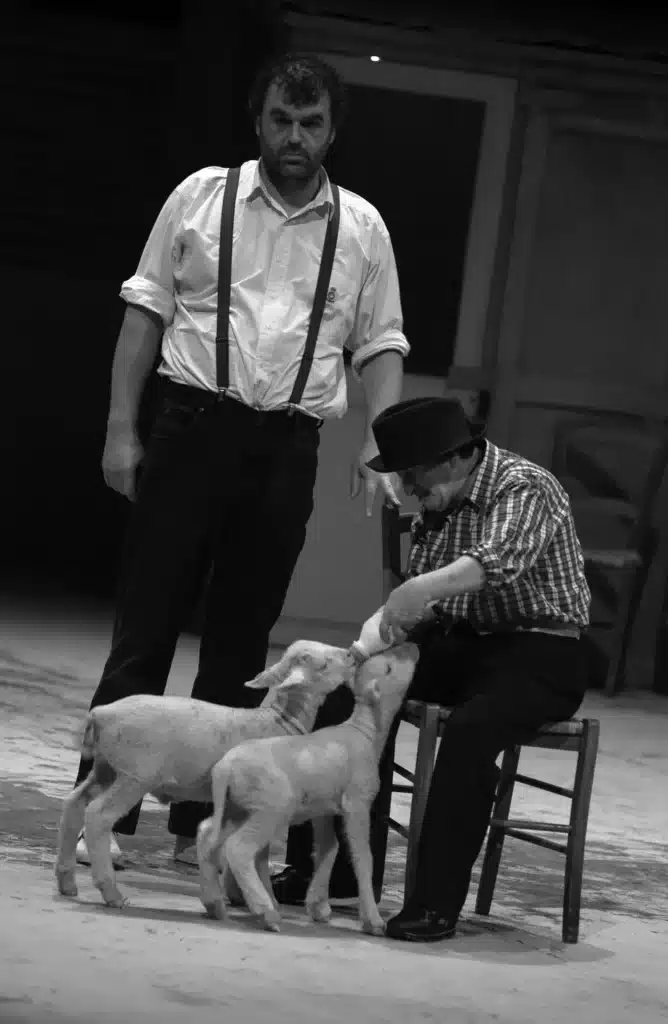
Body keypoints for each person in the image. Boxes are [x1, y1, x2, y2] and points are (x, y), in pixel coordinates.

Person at [73, 51, 409, 868]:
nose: (295, 138)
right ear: (257, 121)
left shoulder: (360, 227)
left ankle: (205, 829)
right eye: (281, 121)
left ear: (333, 130)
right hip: (190, 428)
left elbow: (381, 343)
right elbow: (144, 314)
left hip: (284, 447)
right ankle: (100, 816)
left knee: (239, 642)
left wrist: (381, 436)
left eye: (312, 124)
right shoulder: (200, 197)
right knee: (145, 628)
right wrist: (123, 429)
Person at [274, 395, 591, 941]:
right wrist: (369, 648)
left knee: (469, 732)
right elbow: (418, 610)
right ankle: (334, 870)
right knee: (345, 696)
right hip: (460, 643)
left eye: (413, 473)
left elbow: (497, 562)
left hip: (543, 650)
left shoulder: (522, 484)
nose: (409, 488)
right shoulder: (440, 505)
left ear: (451, 458)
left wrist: (419, 588)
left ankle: (435, 904)